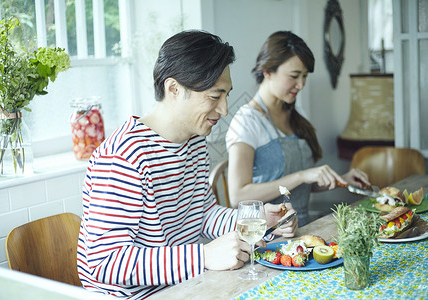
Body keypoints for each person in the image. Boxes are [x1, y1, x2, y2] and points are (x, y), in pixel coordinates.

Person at [76, 30, 298, 299]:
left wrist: (257, 218)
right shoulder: (124, 157)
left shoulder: (193, 142)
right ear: (173, 89)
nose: (225, 109)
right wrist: (202, 256)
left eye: (226, 95)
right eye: (215, 97)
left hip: (186, 288)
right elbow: (105, 263)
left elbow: (202, 215)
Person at [226, 31, 369, 227]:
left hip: (304, 229)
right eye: (294, 76)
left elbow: (302, 187)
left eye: (304, 76)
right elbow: (238, 196)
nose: (300, 85)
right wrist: (301, 175)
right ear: (268, 72)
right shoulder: (246, 121)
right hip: (269, 236)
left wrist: (342, 179)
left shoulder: (297, 114)